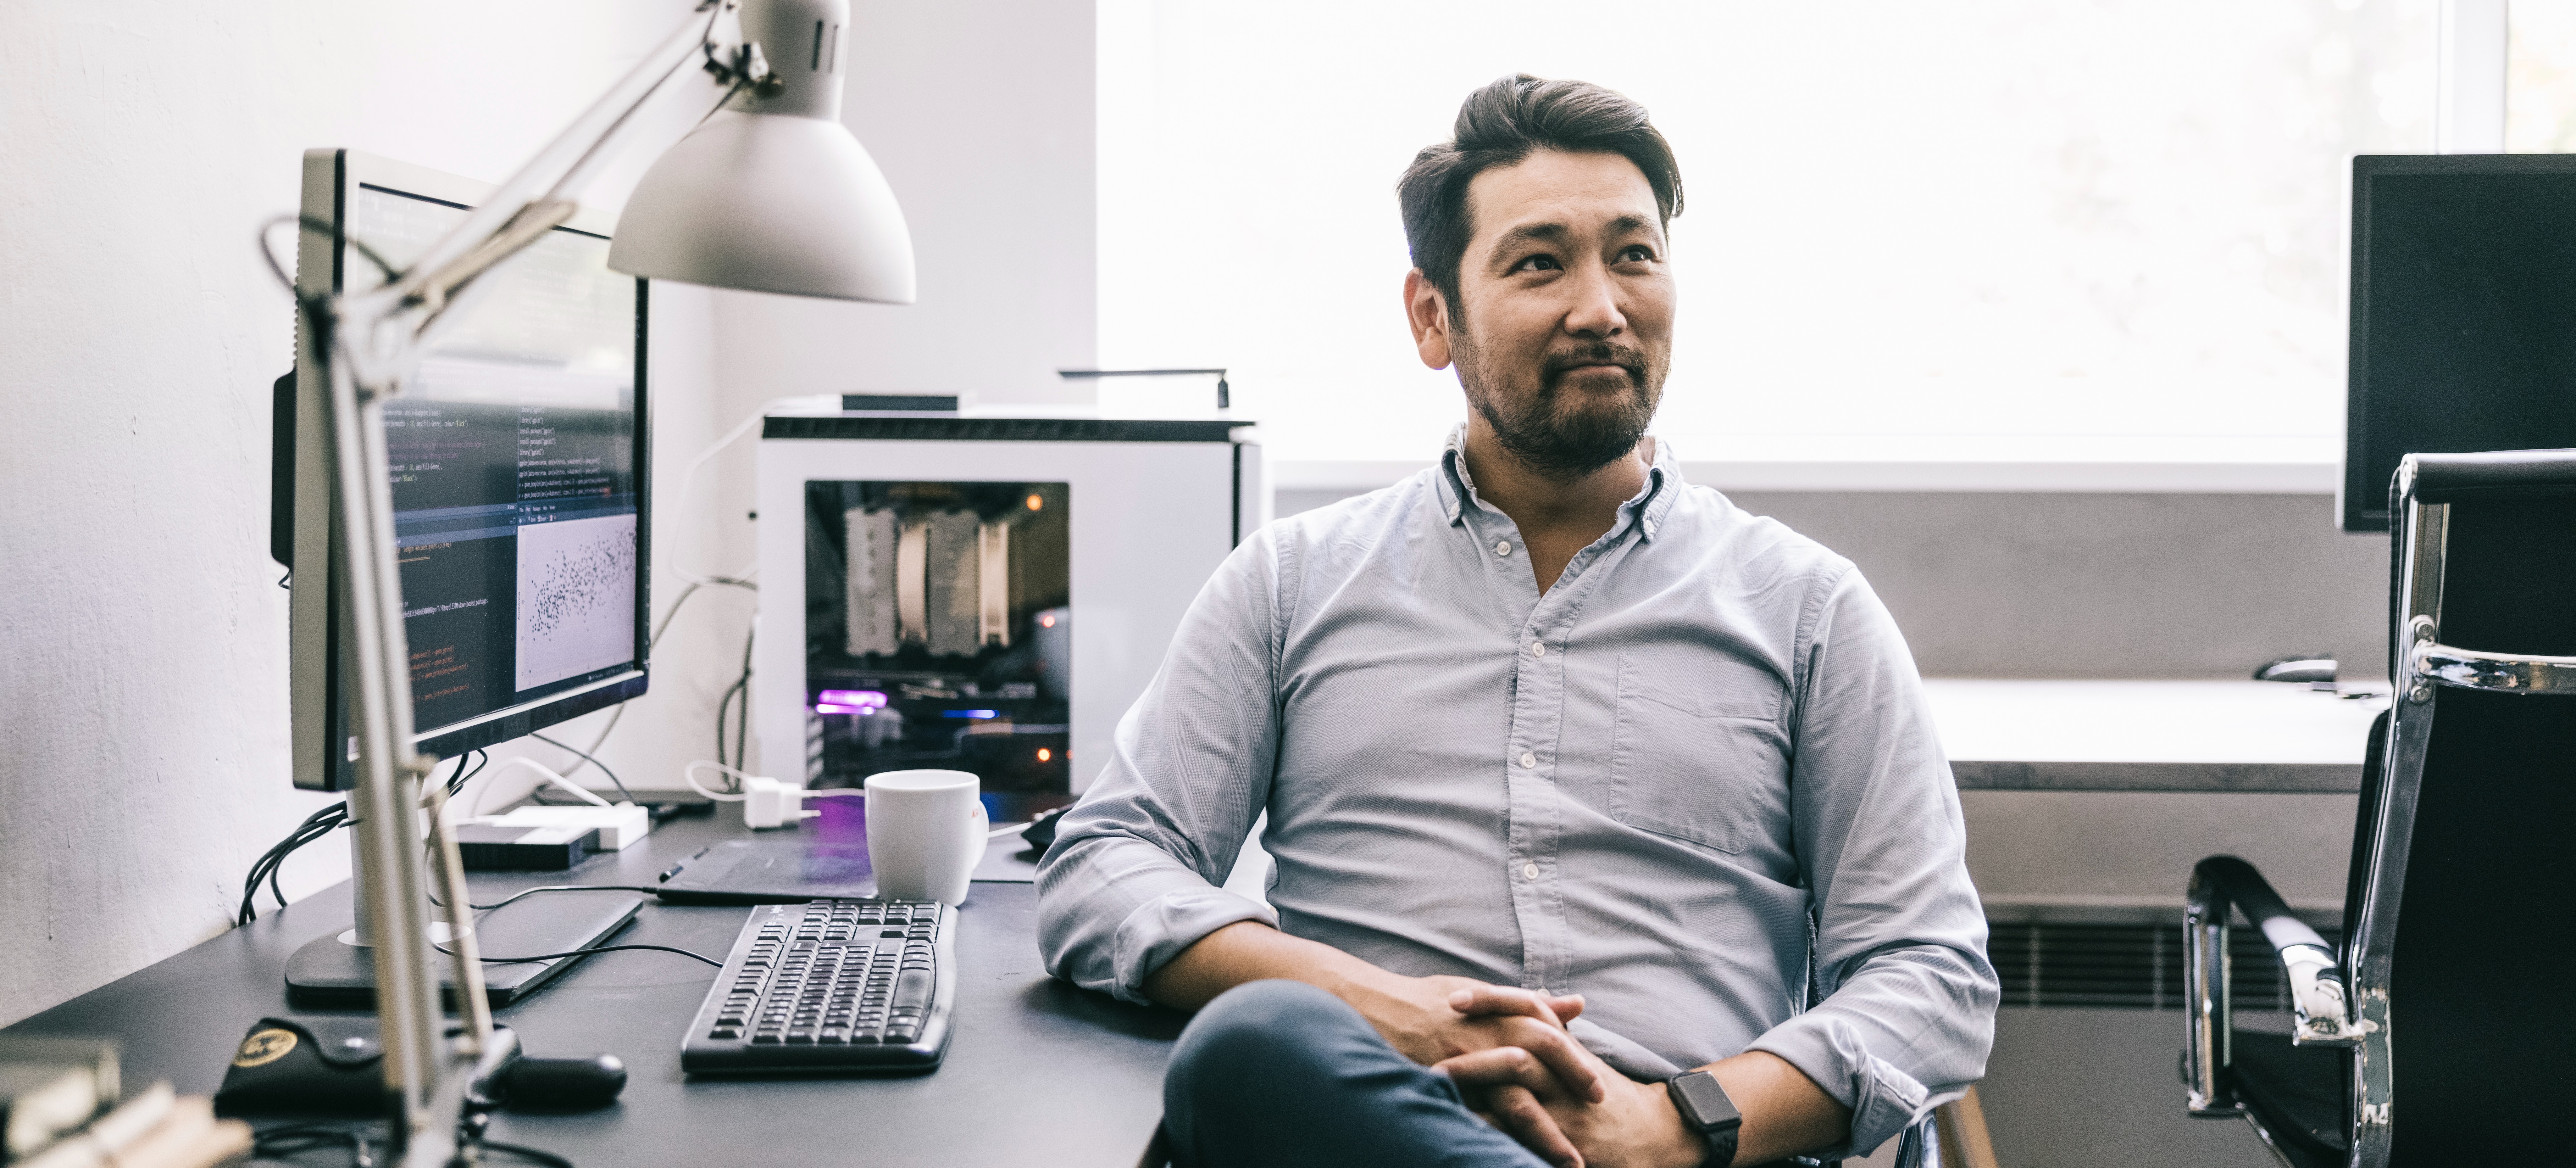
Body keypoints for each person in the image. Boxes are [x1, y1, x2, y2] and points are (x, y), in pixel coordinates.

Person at [1036, 74, 1996, 1168]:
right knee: (1257, 1040)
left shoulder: (1807, 608)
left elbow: (1932, 974)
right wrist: (1383, 1006)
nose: (1603, 306)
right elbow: (1103, 863)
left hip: (1683, 1145)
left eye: (1634, 255)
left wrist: (1676, 1122)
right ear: (1433, 317)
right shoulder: (1290, 583)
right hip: (1367, 1118)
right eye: (1541, 262)